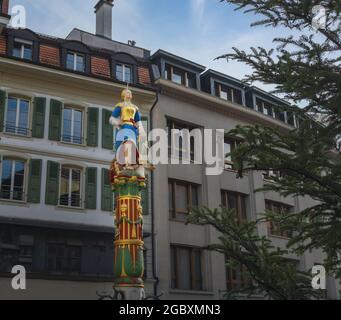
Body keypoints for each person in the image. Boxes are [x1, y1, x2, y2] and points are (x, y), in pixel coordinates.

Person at [109, 89, 146, 176]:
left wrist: (141, 131)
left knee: (132, 145)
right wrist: (118, 122)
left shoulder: (135, 107)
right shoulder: (120, 105)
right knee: (124, 144)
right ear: (123, 95)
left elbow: (138, 121)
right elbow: (112, 118)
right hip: (124, 127)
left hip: (132, 128)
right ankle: (124, 164)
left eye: (130, 93)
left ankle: (130, 164)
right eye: (127, 93)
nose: (129, 94)